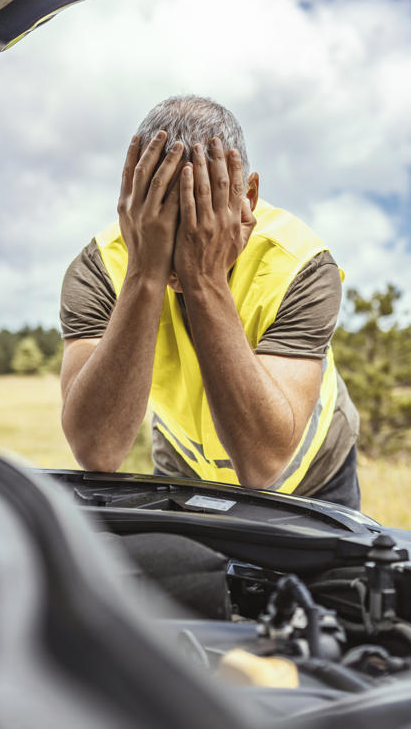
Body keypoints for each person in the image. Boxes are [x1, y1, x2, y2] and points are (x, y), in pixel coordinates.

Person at [58, 96, 360, 508]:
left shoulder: (301, 265)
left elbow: (262, 462)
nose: (184, 248)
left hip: (314, 478)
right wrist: (144, 272)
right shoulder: (100, 269)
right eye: (166, 225)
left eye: (203, 224)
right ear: (132, 203)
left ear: (248, 198)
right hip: (183, 469)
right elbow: (97, 450)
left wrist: (204, 279)